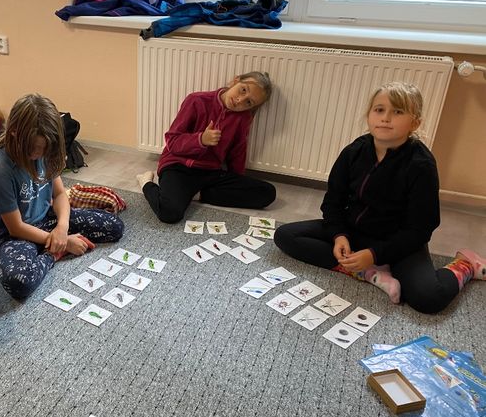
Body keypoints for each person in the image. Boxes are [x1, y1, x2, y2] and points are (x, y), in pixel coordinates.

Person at [274, 82, 484, 314]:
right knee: (285, 235)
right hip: (354, 231)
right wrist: (339, 235)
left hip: (398, 242)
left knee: (428, 298)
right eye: (379, 110)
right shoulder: (354, 151)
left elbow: (421, 229)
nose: (385, 118)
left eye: (398, 111)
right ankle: (367, 271)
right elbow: (333, 201)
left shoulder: (421, 164)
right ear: (369, 116)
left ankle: (465, 264)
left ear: (415, 123)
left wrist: (375, 253)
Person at [0, 94, 124, 299]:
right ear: (14, 133)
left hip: (47, 219)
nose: (39, 154)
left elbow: (60, 194)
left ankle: (51, 243)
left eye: (44, 149)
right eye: (34, 149)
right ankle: (52, 253)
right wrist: (62, 244)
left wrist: (62, 228)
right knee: (19, 281)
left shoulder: (45, 153)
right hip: (13, 235)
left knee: (115, 227)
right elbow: (16, 227)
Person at [136, 71, 276, 223]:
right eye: (243, 90)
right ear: (235, 81)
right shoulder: (196, 100)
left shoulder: (243, 119)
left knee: (267, 192)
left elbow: (238, 152)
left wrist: (236, 182)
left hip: (210, 172)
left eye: (248, 102)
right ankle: (146, 182)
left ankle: (195, 194)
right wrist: (201, 139)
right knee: (169, 213)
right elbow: (173, 141)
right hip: (178, 166)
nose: (240, 100)